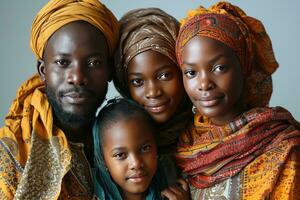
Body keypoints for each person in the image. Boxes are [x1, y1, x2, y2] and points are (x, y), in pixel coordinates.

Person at [175, 2, 300, 199]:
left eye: (219, 68)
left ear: (244, 66)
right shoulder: (183, 146)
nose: (204, 83)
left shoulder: (284, 150)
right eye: (191, 72)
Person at [0, 0, 119, 199]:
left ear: (109, 70)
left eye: (94, 62)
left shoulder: (127, 142)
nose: (77, 76)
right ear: (43, 71)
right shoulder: (10, 154)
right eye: (63, 62)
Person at [113, 8, 193, 186]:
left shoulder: (208, 135)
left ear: (182, 70)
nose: (153, 92)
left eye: (164, 76)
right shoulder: (113, 144)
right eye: (137, 82)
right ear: (125, 86)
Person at [93, 98, 189, 200]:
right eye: (120, 155)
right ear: (103, 160)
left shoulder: (171, 181)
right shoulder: (92, 194)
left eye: (145, 148)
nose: (136, 163)